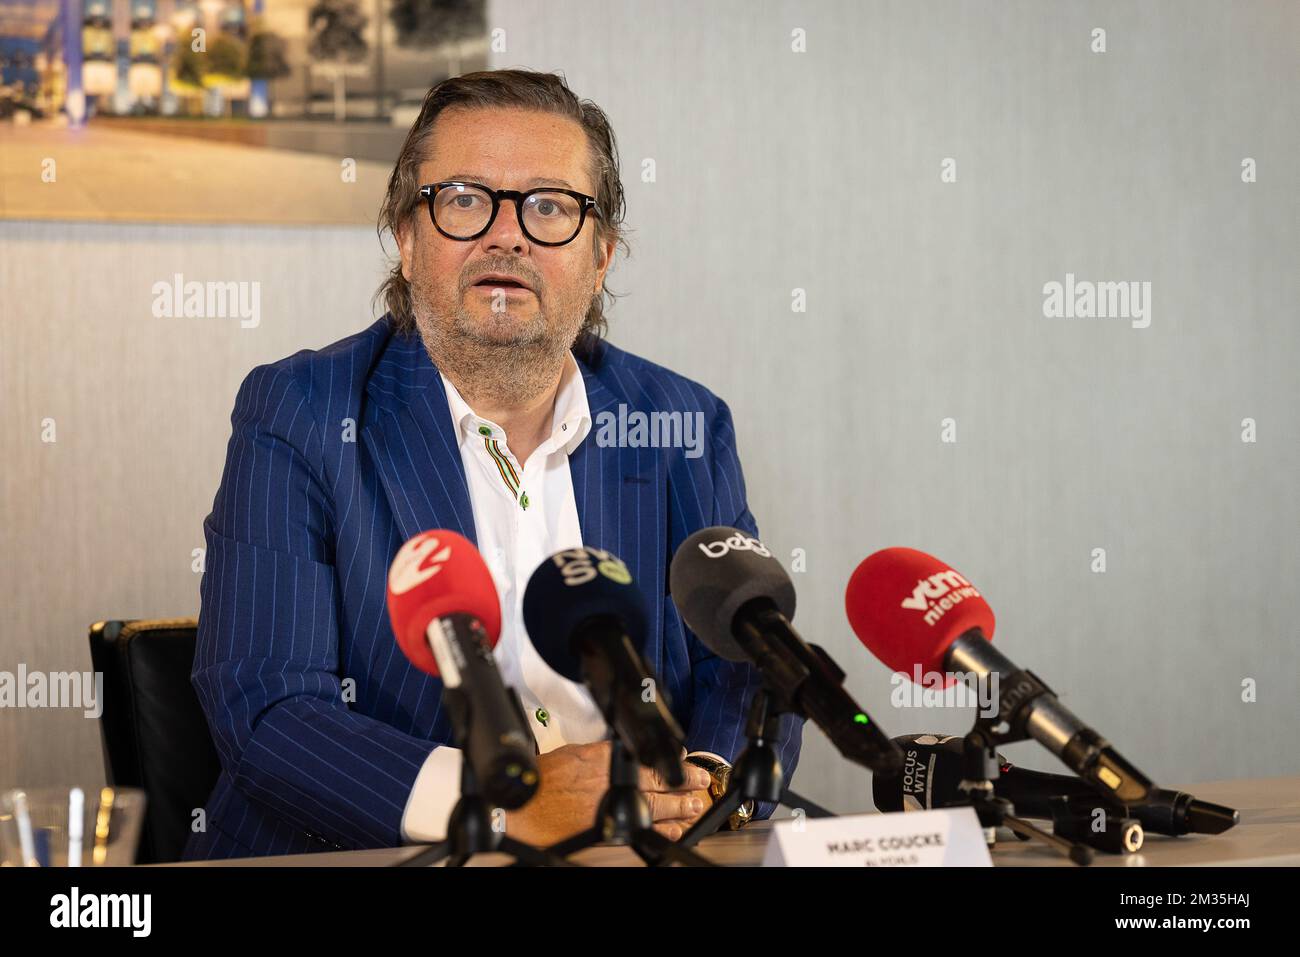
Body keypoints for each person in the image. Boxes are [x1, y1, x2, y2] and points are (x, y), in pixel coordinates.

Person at [184, 69, 802, 859]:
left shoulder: (682, 424)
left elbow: (752, 662)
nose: (506, 235)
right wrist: (511, 805)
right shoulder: (301, 411)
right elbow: (264, 704)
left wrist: (707, 786)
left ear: (601, 255)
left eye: (549, 206)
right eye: (467, 198)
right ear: (408, 241)